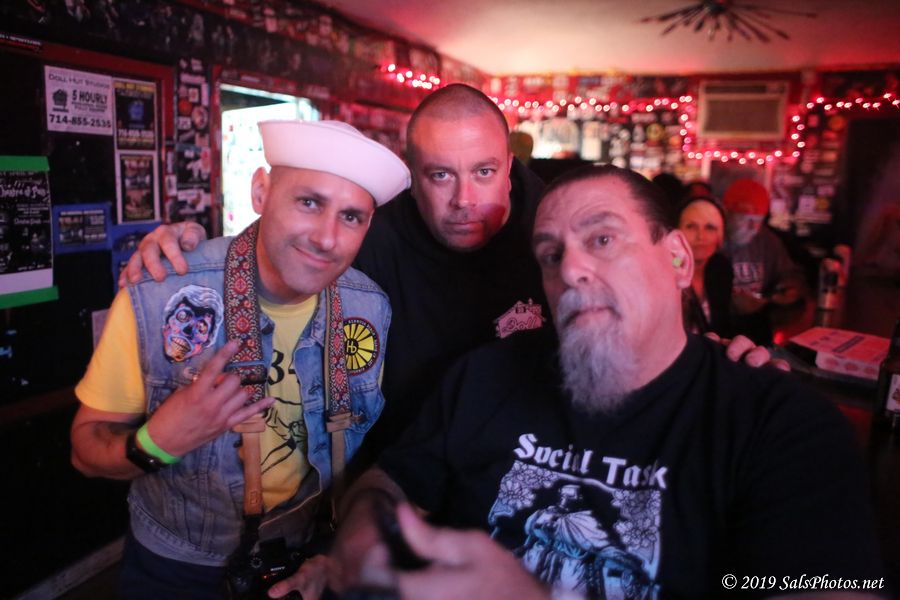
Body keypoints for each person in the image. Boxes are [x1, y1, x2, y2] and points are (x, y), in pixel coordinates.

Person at [121, 86, 776, 470]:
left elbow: (639, 310)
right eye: (440, 175)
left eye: (485, 172)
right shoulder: (373, 234)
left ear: (509, 164)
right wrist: (191, 248)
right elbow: (287, 251)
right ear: (413, 177)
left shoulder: (557, 228)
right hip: (390, 478)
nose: (465, 200)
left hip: (529, 472)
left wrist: (710, 362)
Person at [322, 165, 884, 600]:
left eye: (603, 240)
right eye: (550, 255)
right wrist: (366, 540)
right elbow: (388, 482)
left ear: (678, 259)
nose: (570, 269)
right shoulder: (486, 376)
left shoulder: (786, 430)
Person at [70, 119, 410, 599]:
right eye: (309, 203)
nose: (327, 238)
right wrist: (158, 440)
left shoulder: (369, 307)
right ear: (260, 192)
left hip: (310, 559)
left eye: (351, 217)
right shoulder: (162, 291)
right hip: (180, 567)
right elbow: (85, 450)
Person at [723, 179, 805, 345]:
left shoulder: (768, 241)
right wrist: (729, 302)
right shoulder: (711, 238)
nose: (753, 227)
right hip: (720, 327)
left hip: (756, 328)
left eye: (758, 220)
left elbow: (789, 274)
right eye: (745, 219)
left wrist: (789, 288)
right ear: (727, 213)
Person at [676, 195, 733, 337]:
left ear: (721, 236)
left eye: (710, 228)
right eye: (691, 226)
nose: (700, 236)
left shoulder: (720, 268)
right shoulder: (670, 268)